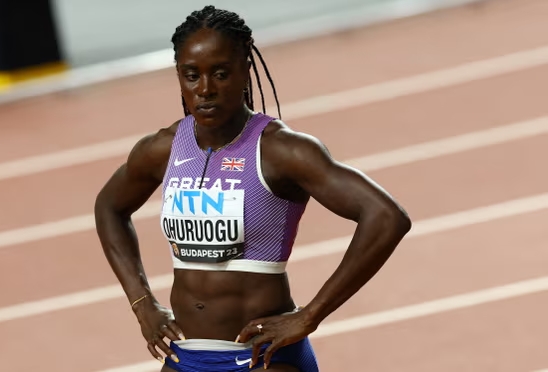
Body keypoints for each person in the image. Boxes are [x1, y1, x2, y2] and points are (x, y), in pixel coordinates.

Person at [94, 5, 411, 372]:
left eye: (221, 73)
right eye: (192, 75)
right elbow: (109, 208)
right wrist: (141, 301)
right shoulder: (163, 148)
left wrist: (309, 315)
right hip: (186, 357)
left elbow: (386, 217)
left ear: (245, 69)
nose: (206, 89)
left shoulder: (282, 150)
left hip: (263, 358)